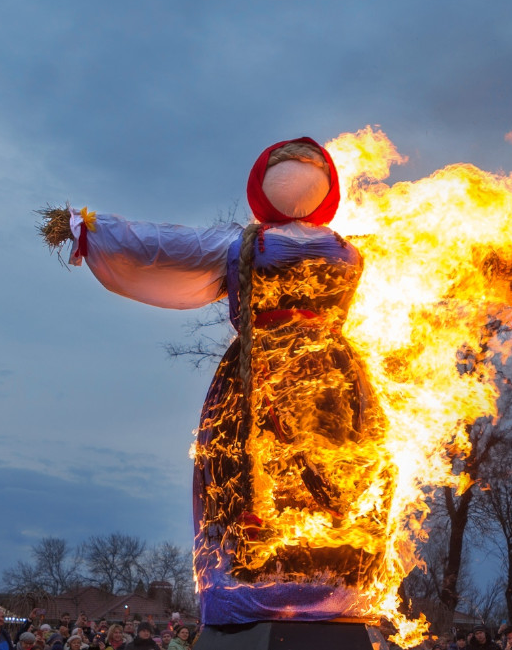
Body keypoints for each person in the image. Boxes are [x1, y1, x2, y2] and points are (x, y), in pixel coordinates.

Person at [45, 137, 388, 624]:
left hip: (325, 381)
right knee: (248, 473)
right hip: (269, 371)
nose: (296, 183)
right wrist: (92, 230)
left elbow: (167, 244)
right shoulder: (249, 244)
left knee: (333, 473)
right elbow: (164, 245)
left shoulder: (339, 247)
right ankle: (259, 575)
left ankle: (329, 576)